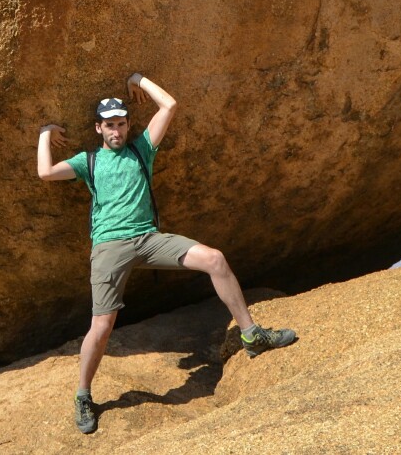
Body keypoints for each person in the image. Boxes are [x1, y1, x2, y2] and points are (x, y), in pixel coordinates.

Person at [37, 72, 296, 435]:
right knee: (102, 325)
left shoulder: (141, 149)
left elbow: (169, 105)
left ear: (128, 125)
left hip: (149, 239)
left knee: (215, 259)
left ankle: (251, 335)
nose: (116, 131)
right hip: (109, 246)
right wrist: (45, 133)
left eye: (121, 124)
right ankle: (83, 395)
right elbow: (46, 172)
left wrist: (138, 79)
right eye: (109, 125)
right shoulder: (88, 161)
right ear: (98, 128)